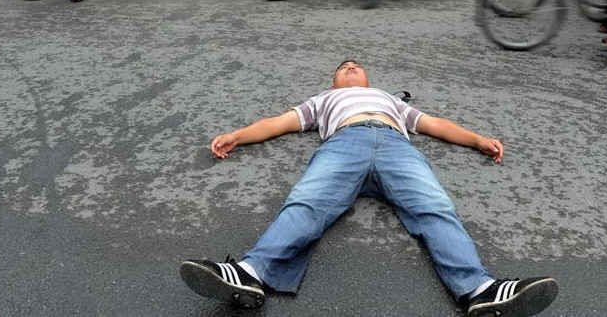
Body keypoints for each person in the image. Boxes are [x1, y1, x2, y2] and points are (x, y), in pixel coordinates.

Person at [180, 59, 558, 316]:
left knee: (435, 207)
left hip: (396, 146)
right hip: (344, 143)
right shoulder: (323, 100)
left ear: (368, 81)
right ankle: (250, 272)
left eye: (356, 66)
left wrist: (477, 140)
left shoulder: (389, 100)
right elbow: (278, 123)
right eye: (343, 67)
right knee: (307, 202)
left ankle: (479, 289)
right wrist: (237, 135)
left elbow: (434, 124)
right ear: (333, 83)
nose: (350, 67)